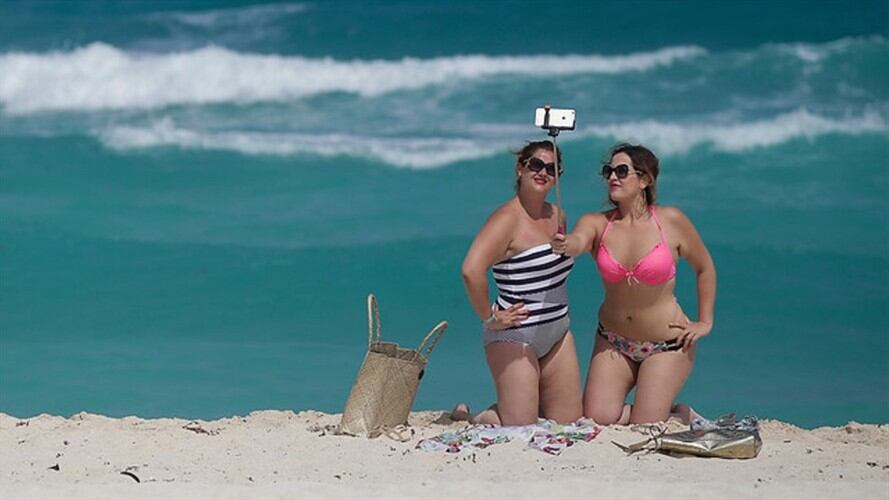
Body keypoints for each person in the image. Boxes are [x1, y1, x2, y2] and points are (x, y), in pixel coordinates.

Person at [551, 143, 716, 425]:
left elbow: (705, 268)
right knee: (596, 417)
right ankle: (665, 412)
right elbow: (579, 241)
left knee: (646, 425)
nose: (612, 177)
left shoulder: (671, 221)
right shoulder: (598, 223)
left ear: (645, 180)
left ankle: (675, 412)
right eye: (609, 171)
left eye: (622, 171)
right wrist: (567, 245)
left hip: (666, 344)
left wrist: (704, 322)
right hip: (613, 341)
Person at [452, 141, 582, 426]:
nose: (542, 172)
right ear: (520, 168)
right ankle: (471, 416)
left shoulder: (557, 215)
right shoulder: (506, 219)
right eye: (535, 164)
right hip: (515, 336)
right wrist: (489, 316)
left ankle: (517, 402)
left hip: (558, 333)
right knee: (520, 426)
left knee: (568, 422)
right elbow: (471, 270)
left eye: (551, 168)